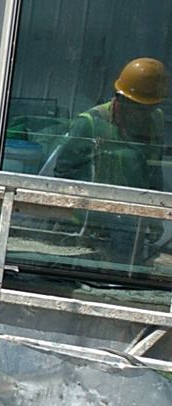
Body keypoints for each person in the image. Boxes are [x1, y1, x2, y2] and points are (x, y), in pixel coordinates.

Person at [53, 57, 168, 263]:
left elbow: (154, 169)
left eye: (149, 107)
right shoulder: (90, 123)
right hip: (94, 221)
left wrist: (156, 216)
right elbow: (64, 173)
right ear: (120, 98)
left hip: (135, 217)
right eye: (137, 106)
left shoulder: (156, 120)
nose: (143, 114)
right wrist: (86, 215)